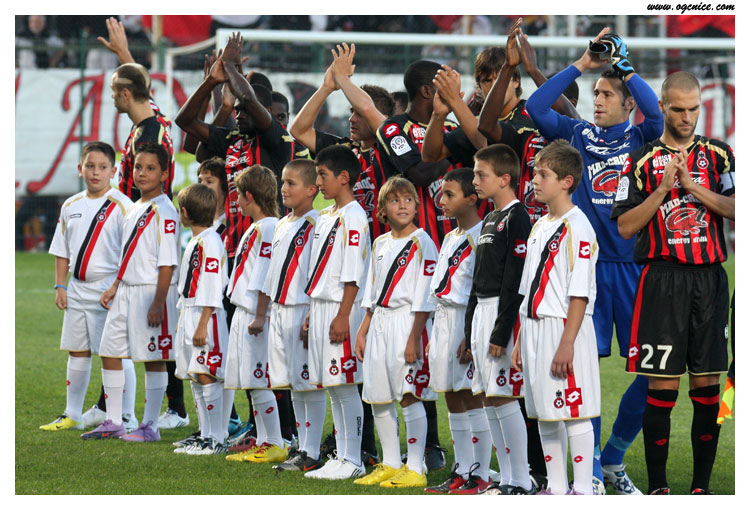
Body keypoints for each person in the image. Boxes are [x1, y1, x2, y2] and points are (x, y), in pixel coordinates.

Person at [525, 27, 664, 494]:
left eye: (607, 94)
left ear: (628, 104)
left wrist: (625, 67)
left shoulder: (642, 136)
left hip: (634, 267)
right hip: (587, 272)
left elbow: (658, 114)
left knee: (653, 372)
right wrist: (583, 64)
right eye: (596, 93)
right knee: (583, 371)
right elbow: (536, 107)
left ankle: (614, 458)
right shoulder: (577, 133)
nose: (598, 100)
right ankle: (593, 472)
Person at [611, 71, 734, 495]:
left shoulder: (720, 156)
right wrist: (663, 189)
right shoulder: (639, 161)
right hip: (662, 281)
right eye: (678, 109)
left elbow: (737, 208)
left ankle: (701, 488)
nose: (687, 117)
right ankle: (659, 489)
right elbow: (625, 227)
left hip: (709, 280)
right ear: (661, 107)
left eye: (693, 109)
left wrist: (691, 186)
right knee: (661, 388)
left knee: (708, 387)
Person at [512, 139, 600, 495]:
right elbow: (528, 289)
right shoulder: (539, 226)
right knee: (545, 411)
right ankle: (557, 488)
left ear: (566, 182)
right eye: (534, 173)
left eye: (543, 174)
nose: (534, 180)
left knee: (574, 410)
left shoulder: (577, 227)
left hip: (563, 328)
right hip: (534, 329)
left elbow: (579, 292)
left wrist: (567, 343)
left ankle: (583, 488)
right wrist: (521, 338)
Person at [83, 143, 180, 442]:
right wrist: (115, 285)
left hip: (151, 292)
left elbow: (167, 262)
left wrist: (158, 303)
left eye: (151, 168)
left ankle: (150, 426)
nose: (142, 173)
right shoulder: (135, 207)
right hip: (125, 290)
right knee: (109, 351)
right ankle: (114, 420)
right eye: (138, 167)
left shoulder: (165, 211)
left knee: (153, 358)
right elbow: (129, 253)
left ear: (164, 174)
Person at [40, 142, 135, 432]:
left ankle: (126, 415)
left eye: (102, 167)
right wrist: (60, 285)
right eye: (90, 166)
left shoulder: (122, 206)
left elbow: (131, 253)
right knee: (76, 350)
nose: (96, 172)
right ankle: (72, 414)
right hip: (76, 288)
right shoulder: (70, 205)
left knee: (115, 353)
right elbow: (61, 249)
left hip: (108, 291)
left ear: (113, 171)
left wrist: (116, 286)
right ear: (80, 169)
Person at [354, 176, 439, 489]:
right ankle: (390, 463)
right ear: (382, 209)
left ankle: (415, 466)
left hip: (408, 322)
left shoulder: (422, 242)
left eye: (408, 200)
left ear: (416, 206)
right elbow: (372, 291)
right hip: (380, 323)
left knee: (408, 394)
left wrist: (415, 337)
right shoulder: (379, 243)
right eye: (394, 200)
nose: (402, 205)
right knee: (378, 395)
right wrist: (363, 330)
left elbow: (426, 294)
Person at [463, 145, 533, 495]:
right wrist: (469, 328)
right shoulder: (490, 217)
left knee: (504, 396)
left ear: (505, 179)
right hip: (482, 313)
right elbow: (479, 278)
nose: (475, 180)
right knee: (488, 397)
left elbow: (515, 280)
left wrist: (501, 331)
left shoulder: (518, 216)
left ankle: (521, 479)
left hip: (501, 314)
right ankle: (504, 479)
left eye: (481, 174)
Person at [302, 145, 370, 480]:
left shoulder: (354, 216)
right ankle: (341, 456)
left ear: (344, 177)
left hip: (341, 307)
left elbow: (353, 272)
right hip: (320, 305)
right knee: (331, 384)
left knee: (344, 384)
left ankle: (354, 459)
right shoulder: (326, 214)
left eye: (323, 175)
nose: (318, 182)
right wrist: (311, 310)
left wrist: (343, 315)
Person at [289, 44, 397, 243]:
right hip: (347, 245)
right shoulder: (345, 151)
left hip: (384, 247)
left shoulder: (393, 149)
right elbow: (299, 131)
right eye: (351, 112)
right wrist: (326, 88)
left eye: (359, 114)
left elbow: (372, 112)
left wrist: (343, 80)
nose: (351, 119)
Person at [256, 159, 323, 471]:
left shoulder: (316, 224)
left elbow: (316, 271)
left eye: (291, 183)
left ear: (311, 189)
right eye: (282, 182)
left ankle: (312, 450)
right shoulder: (282, 223)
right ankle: (302, 444)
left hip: (300, 309)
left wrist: (312, 311)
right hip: (280, 310)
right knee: (293, 382)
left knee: (308, 382)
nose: (283, 188)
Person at [423, 168, 485, 494]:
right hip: (443, 319)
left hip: (464, 318)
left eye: (449, 195)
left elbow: (477, 288)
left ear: (471, 199)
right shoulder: (450, 236)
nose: (441, 201)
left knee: (471, 395)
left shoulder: (481, 235)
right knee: (449, 393)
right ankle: (461, 469)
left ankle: (481, 471)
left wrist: (470, 332)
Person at [223, 165, 286, 464]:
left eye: (238, 195)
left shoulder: (269, 228)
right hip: (244, 310)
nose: (236, 201)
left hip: (256, 314)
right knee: (251, 380)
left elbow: (265, 274)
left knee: (259, 380)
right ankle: (262, 440)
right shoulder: (258, 226)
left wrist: (260, 315)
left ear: (248, 196)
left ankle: (275, 441)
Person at [172, 184, 229, 455]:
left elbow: (212, 283)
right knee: (195, 375)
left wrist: (203, 322)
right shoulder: (197, 240)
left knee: (206, 374)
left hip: (206, 314)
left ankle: (216, 438)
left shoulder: (210, 242)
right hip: (190, 312)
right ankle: (205, 435)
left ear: (184, 212)